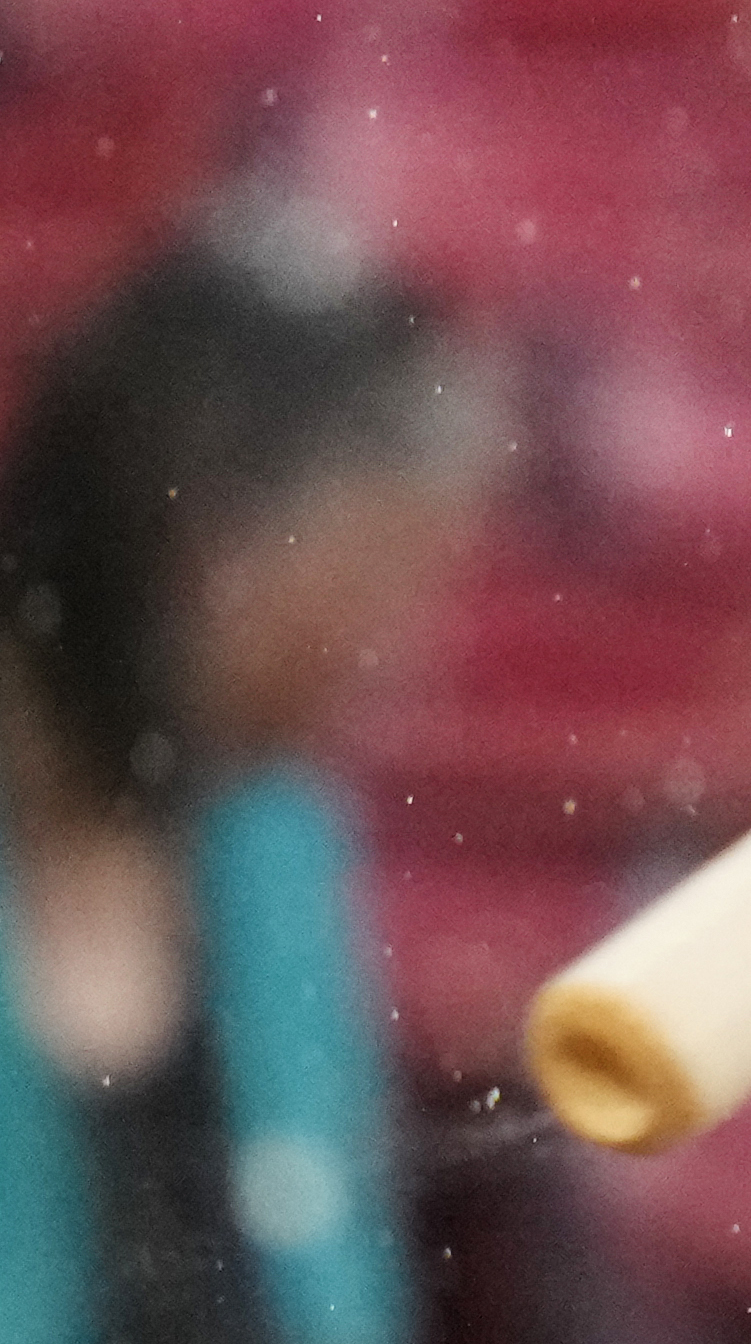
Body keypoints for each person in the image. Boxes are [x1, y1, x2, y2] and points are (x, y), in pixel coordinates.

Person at [0, 189, 490, 1344]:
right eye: (368, 591)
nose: (393, 658)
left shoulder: (273, 836)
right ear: (198, 543)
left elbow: (338, 1285)